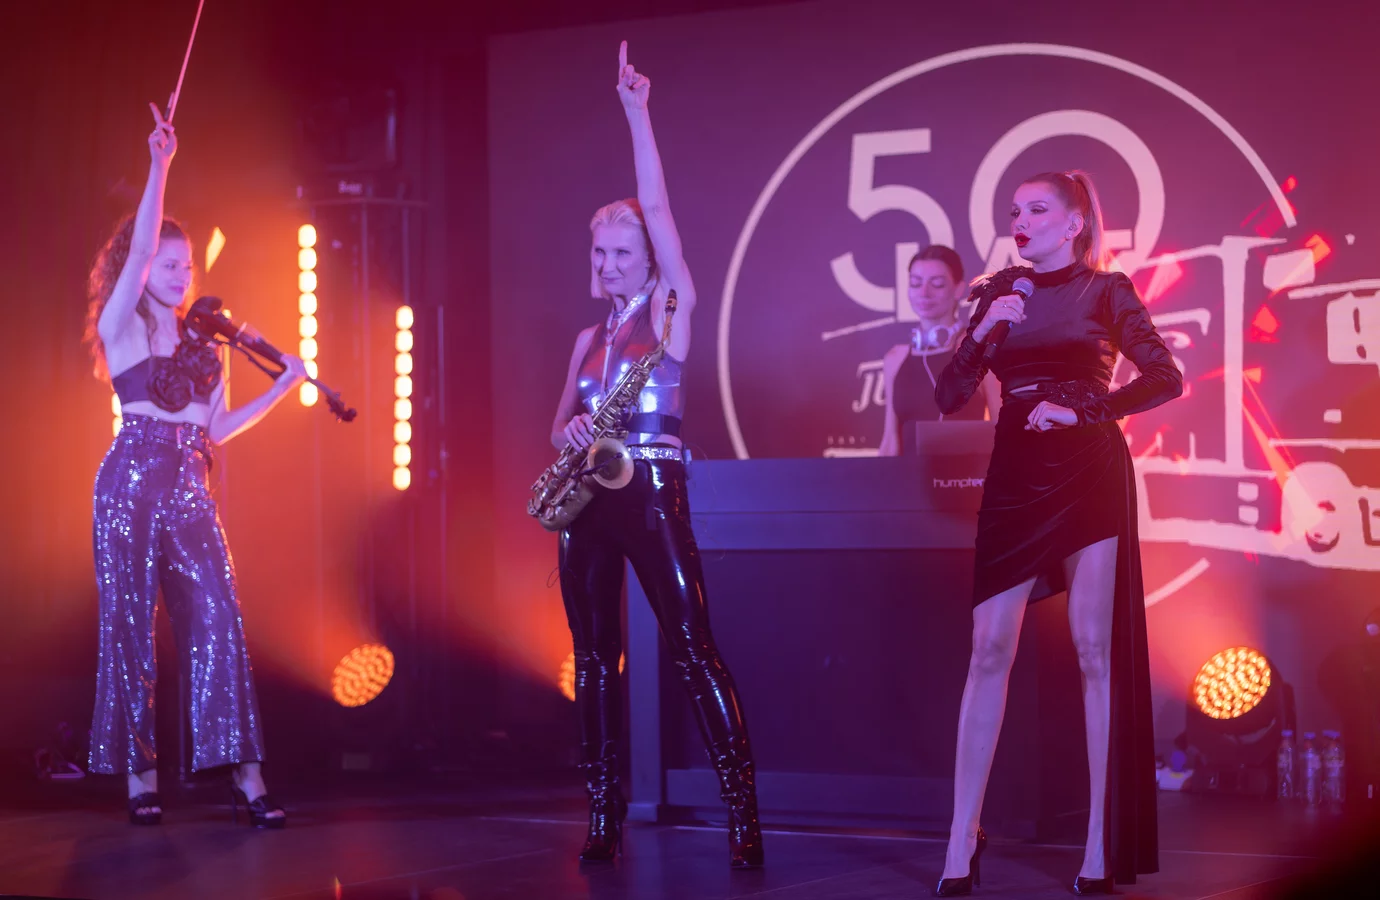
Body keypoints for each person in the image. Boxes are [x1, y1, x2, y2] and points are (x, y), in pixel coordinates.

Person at [931, 170, 1182, 895]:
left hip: (1086, 466)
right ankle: (962, 836)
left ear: (1075, 223)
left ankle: (1099, 840)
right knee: (988, 647)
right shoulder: (998, 293)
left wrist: (1084, 410)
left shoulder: (1106, 290)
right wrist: (986, 328)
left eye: (1037, 209)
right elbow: (949, 396)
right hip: (1015, 472)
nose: (1021, 220)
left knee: (1094, 649)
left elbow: (1165, 376)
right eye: (1015, 210)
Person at [547, 42, 763, 868]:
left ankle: (743, 813)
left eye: (621, 253)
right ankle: (602, 814)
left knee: (691, 647)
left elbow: (661, 208)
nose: (607, 265)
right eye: (599, 253)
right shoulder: (585, 338)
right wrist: (570, 433)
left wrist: (636, 112)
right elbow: (555, 426)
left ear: (647, 260)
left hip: (650, 488)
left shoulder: (671, 308)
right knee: (594, 660)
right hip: (586, 498)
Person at [84, 103, 307, 828]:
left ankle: (246, 777)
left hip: (188, 485)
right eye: (170, 264)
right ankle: (140, 779)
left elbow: (219, 430)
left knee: (219, 617)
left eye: (188, 267)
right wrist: (161, 165)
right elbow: (142, 241)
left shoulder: (206, 347)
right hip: (128, 482)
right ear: (145, 266)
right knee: (129, 628)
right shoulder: (121, 324)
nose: (182, 275)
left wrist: (281, 388)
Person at [878, 245, 1000, 456]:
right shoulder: (895, 358)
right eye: (916, 283)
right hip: (908, 476)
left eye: (937, 284)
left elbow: (1003, 429)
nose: (924, 293)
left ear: (958, 289)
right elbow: (890, 441)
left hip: (967, 475)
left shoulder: (980, 349)